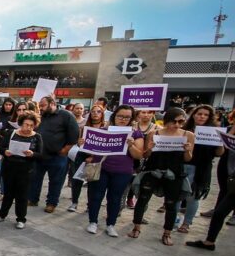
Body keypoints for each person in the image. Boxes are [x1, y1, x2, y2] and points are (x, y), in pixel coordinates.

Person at [128, 107, 195, 245]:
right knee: (143, 199)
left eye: (181, 122)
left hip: (174, 174)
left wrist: (187, 151)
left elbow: (188, 159)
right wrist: (149, 148)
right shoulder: (154, 133)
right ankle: (136, 227)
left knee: (171, 204)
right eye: (174, 121)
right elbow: (145, 155)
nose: (177, 125)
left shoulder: (188, 135)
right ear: (167, 120)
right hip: (153, 171)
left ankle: (167, 233)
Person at [85, 105, 145, 236]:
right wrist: (84, 143)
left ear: (131, 119)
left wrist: (131, 145)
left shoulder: (136, 134)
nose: (123, 119)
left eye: (127, 117)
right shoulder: (103, 130)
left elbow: (138, 155)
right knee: (96, 196)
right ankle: (93, 222)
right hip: (102, 168)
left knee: (115, 198)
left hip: (122, 171)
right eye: (120, 116)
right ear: (114, 116)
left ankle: (111, 224)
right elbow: (91, 150)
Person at [174, 105, 224, 233]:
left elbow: (219, 153)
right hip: (182, 165)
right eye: (199, 114)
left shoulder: (214, 132)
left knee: (193, 197)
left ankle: (186, 223)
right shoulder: (184, 129)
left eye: (206, 115)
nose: (202, 116)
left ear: (210, 117)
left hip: (201, 169)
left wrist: (220, 142)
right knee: (177, 195)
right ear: (194, 115)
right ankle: (172, 220)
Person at [186, 123, 235, 251]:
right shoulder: (229, 131)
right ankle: (209, 242)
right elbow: (223, 148)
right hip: (232, 181)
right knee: (219, 213)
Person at [0, 111, 44, 229]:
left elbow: (40, 155)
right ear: (21, 123)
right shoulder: (11, 133)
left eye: (31, 125)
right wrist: (5, 151)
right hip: (10, 168)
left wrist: (32, 154)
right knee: (8, 194)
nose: (28, 128)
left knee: (22, 195)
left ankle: (21, 219)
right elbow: (0, 147)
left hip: (26, 170)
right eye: (26, 124)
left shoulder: (37, 137)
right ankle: (1, 215)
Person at [28, 96, 79, 213]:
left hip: (57, 156)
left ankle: (51, 203)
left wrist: (65, 150)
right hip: (40, 155)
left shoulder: (65, 115)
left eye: (43, 105)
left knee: (56, 181)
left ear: (52, 103)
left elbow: (74, 134)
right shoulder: (41, 116)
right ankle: (33, 199)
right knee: (35, 178)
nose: (41, 108)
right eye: (40, 105)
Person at [69, 104, 108, 212]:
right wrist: (80, 142)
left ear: (102, 114)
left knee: (93, 182)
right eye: (93, 111)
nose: (95, 114)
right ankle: (74, 202)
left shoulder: (106, 128)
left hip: (97, 157)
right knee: (77, 180)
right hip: (82, 156)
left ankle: (90, 205)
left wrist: (93, 157)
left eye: (98, 111)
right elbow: (78, 143)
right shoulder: (84, 127)